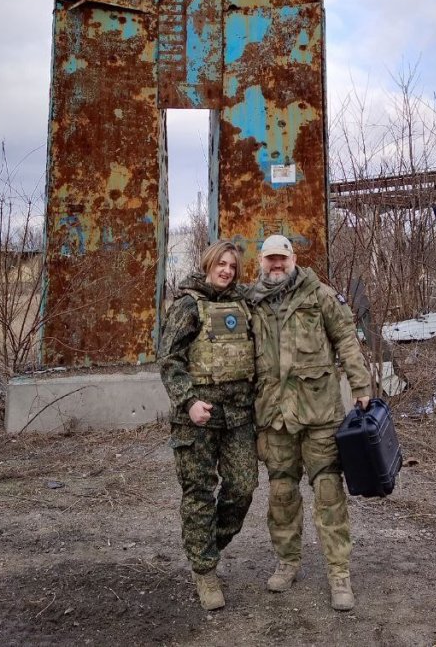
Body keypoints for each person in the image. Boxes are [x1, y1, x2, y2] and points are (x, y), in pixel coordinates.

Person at [247, 233, 371, 612]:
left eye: (282, 258)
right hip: (274, 415)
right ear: (261, 262)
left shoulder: (319, 295)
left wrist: (361, 383)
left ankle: (339, 574)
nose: (277, 265)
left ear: (293, 258)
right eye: (270, 259)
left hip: (319, 413)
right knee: (282, 494)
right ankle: (287, 562)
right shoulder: (252, 301)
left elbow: (347, 339)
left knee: (329, 493)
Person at [158, 239, 258, 612]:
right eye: (222, 264)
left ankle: (206, 545)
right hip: (197, 417)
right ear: (208, 264)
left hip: (238, 416)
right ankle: (205, 571)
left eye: (233, 266)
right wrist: (188, 400)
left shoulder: (244, 302)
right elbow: (169, 359)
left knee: (243, 487)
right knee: (199, 493)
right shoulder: (188, 304)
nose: (227, 271)